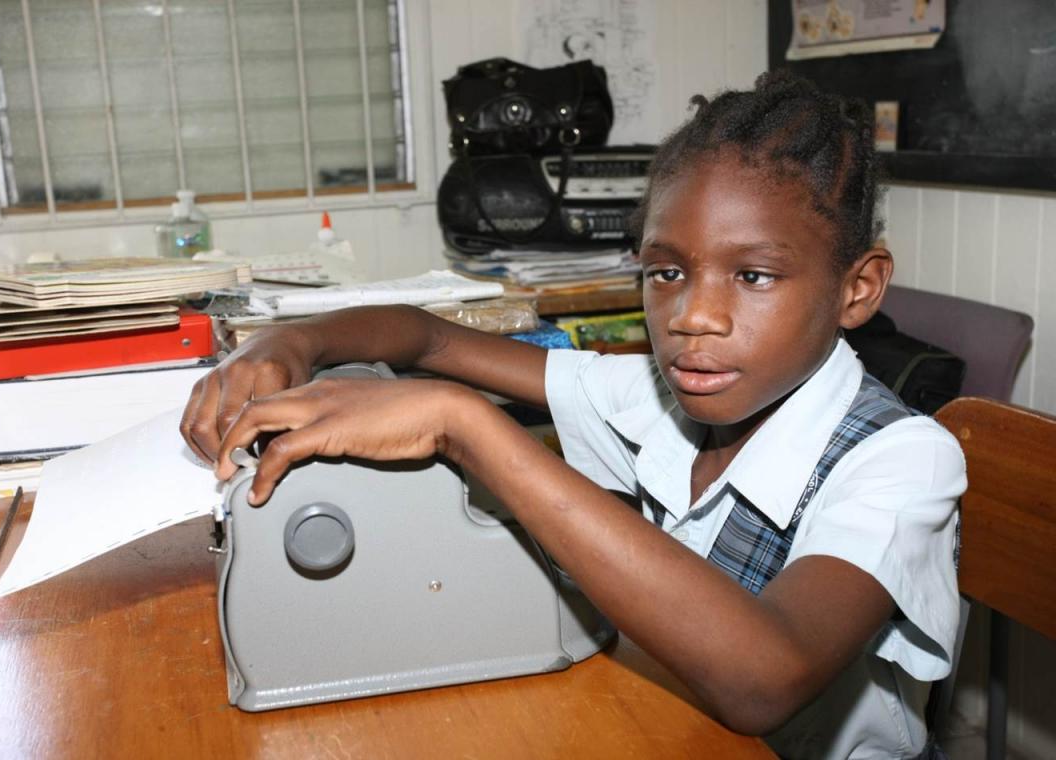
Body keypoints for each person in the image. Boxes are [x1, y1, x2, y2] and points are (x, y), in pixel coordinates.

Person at [180, 71, 965, 759]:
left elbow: (765, 679)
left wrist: (465, 425)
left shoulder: (902, 460)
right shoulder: (659, 396)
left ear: (858, 288)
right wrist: (292, 339)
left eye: (753, 275)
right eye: (667, 271)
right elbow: (424, 336)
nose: (693, 316)